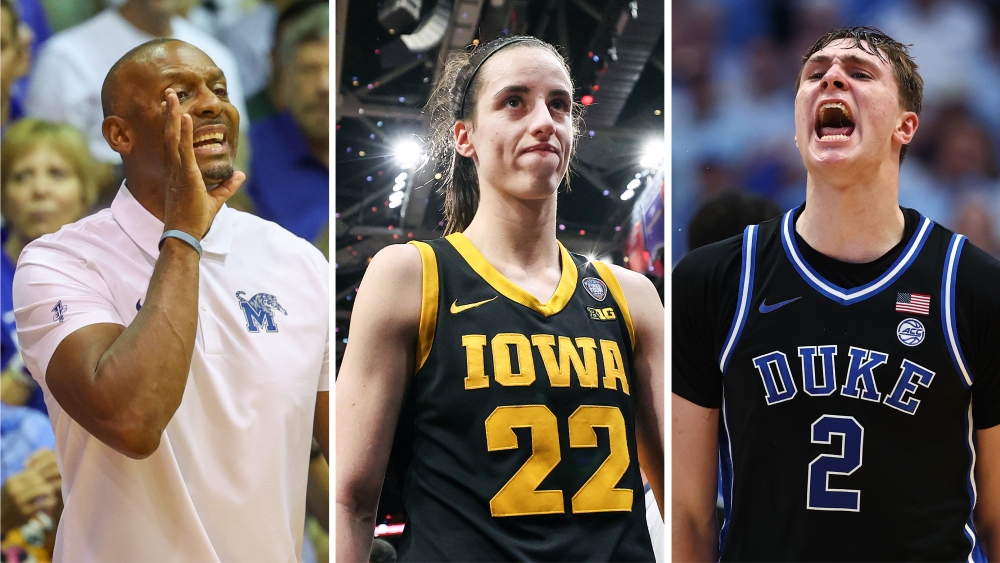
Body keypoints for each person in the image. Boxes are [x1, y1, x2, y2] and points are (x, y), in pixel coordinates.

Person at [672, 26, 1000, 561]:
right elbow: (688, 516)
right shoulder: (713, 280)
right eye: (814, 73)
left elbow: (997, 519)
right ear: (797, 122)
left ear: (905, 126)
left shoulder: (975, 286)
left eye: (860, 73)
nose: (832, 79)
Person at [336, 35, 664, 561]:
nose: (543, 121)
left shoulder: (634, 297)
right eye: (515, 101)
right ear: (464, 137)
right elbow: (350, 500)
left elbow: (683, 497)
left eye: (559, 104)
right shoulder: (411, 276)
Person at [11, 39, 329, 561]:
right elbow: (133, 421)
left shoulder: (297, 261)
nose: (211, 104)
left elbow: (336, 453)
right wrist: (184, 234)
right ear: (120, 134)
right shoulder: (59, 262)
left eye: (220, 89)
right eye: (179, 93)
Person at [23, 0, 247, 165]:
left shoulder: (215, 54)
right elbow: (44, 161)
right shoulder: (65, 56)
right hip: (99, 214)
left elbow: (236, 152)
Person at [2, 119, 105, 414]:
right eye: (21, 177)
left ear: (86, 191)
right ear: (3, 197)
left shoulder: (113, 270)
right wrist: (35, 347)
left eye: (57, 174)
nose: (40, 190)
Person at [244, 2, 328, 245]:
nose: (323, 85)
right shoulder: (244, 154)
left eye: (330, 69)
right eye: (309, 69)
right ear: (284, 79)